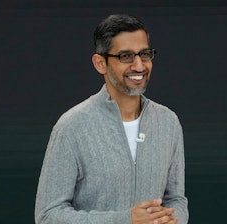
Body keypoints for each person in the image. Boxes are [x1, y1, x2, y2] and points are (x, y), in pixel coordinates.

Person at [35, 14, 189, 224]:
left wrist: (173, 220)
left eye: (144, 54)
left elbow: (176, 199)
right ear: (100, 63)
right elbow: (48, 215)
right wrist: (126, 220)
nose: (139, 66)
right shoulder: (72, 126)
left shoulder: (168, 122)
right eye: (126, 56)